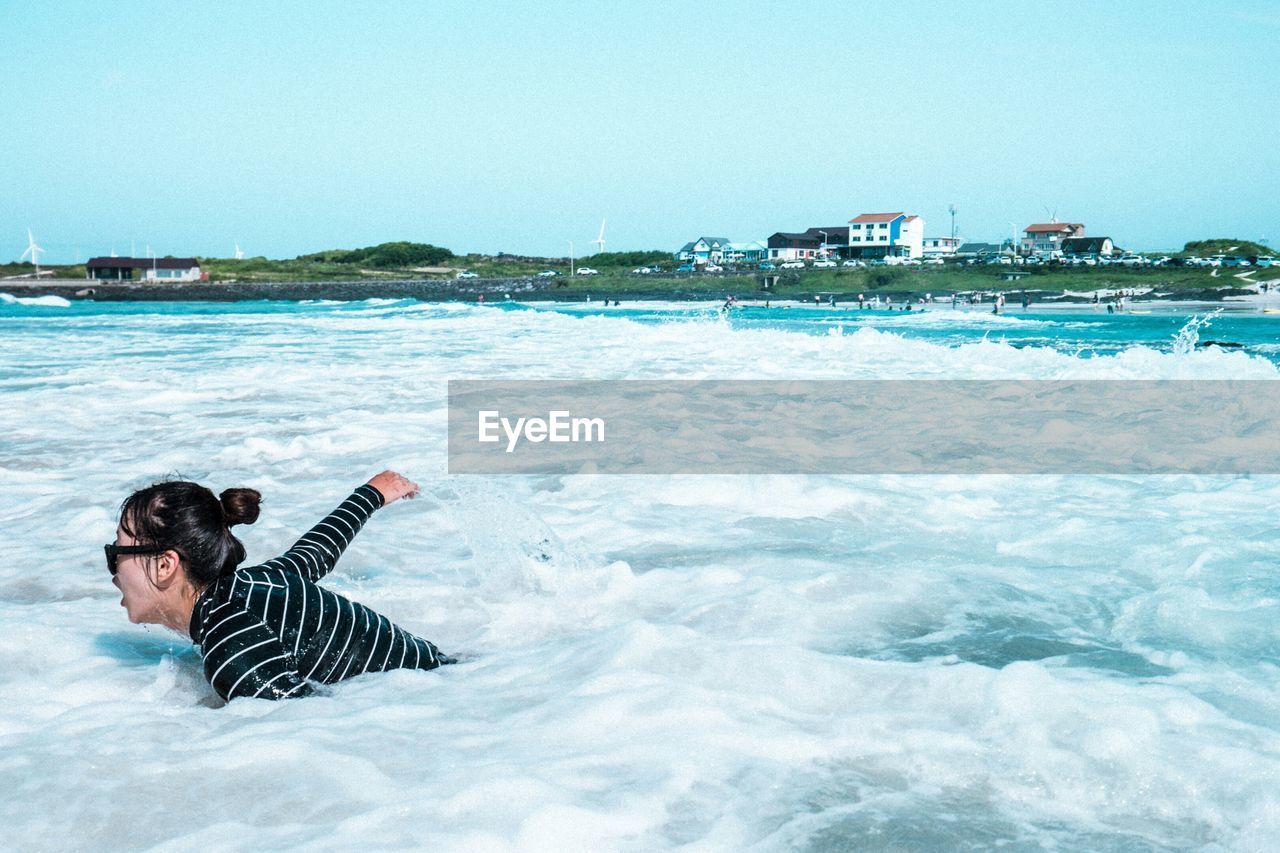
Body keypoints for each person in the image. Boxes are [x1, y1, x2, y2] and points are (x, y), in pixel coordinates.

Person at [107, 471, 453, 702]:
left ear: (165, 564)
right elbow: (315, 552)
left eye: (116, 554)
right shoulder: (257, 582)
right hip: (449, 676)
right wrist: (371, 494)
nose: (114, 573)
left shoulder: (230, 647)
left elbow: (314, 727)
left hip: (433, 700)